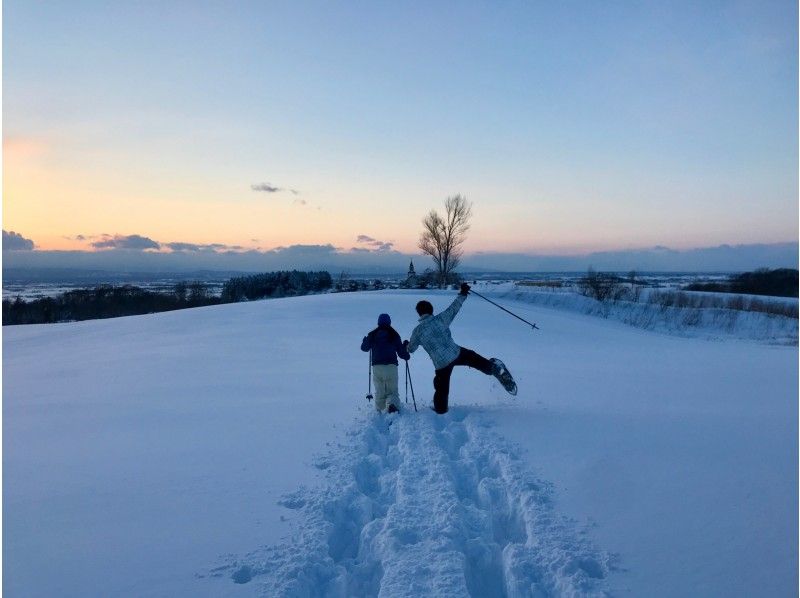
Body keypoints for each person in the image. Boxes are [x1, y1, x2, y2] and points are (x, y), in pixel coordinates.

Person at [406, 283, 516, 414]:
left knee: (442, 389)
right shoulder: (440, 319)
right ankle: (494, 369)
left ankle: (440, 409)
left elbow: (411, 349)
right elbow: (454, 307)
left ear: (419, 313)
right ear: (431, 310)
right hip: (455, 353)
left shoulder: (417, 331)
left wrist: (405, 345)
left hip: (441, 364)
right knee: (474, 359)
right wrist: (463, 293)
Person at [361, 313, 410, 414]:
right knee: (392, 391)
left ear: (378, 322)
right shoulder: (394, 335)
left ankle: (380, 410)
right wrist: (406, 350)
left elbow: (364, 348)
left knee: (379, 390)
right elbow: (402, 354)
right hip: (391, 367)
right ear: (389, 322)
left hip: (377, 367)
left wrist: (365, 341)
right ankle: (392, 405)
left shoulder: (372, 334)